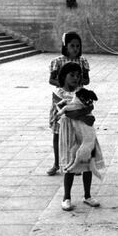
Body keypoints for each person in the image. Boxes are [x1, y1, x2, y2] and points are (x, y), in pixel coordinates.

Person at [55, 62, 104, 211]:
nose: (75, 78)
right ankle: (67, 197)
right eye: (72, 75)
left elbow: (90, 106)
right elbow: (66, 112)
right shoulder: (58, 93)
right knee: (70, 163)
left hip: (84, 132)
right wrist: (83, 115)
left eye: (78, 76)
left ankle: (87, 195)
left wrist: (83, 114)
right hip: (69, 131)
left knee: (87, 163)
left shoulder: (81, 91)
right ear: (64, 76)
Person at [47, 31, 90, 176]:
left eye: (78, 46)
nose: (75, 49)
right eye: (72, 45)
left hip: (77, 100)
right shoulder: (58, 61)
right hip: (62, 98)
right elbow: (51, 80)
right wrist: (64, 83)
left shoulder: (82, 61)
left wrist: (77, 81)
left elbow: (87, 80)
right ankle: (56, 163)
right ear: (66, 46)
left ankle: (74, 162)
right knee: (58, 133)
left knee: (76, 134)